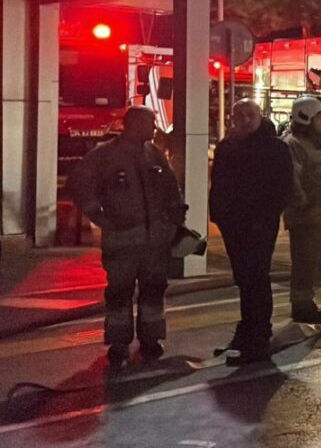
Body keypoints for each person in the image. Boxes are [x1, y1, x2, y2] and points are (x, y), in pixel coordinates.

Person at [69, 106, 185, 368]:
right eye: (151, 122)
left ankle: (150, 340)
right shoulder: (104, 154)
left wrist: (176, 219)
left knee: (153, 291)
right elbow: (79, 184)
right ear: (134, 124)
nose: (154, 128)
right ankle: (119, 344)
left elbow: (171, 188)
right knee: (119, 294)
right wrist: (98, 216)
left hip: (154, 243)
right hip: (121, 242)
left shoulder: (154, 154)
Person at [209, 100, 293, 365]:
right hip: (234, 225)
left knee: (255, 279)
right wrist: (220, 216)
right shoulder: (227, 147)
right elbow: (219, 184)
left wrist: (263, 219)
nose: (244, 120)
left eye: (249, 115)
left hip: (258, 226)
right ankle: (248, 333)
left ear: (260, 116)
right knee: (245, 280)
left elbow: (282, 188)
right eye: (239, 115)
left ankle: (257, 340)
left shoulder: (275, 148)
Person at [283, 95, 321, 323]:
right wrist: (302, 204)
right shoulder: (294, 144)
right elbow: (291, 180)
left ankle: (306, 299)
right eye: (320, 120)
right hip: (306, 217)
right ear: (306, 118)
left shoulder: (318, 143)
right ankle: (302, 306)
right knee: (305, 263)